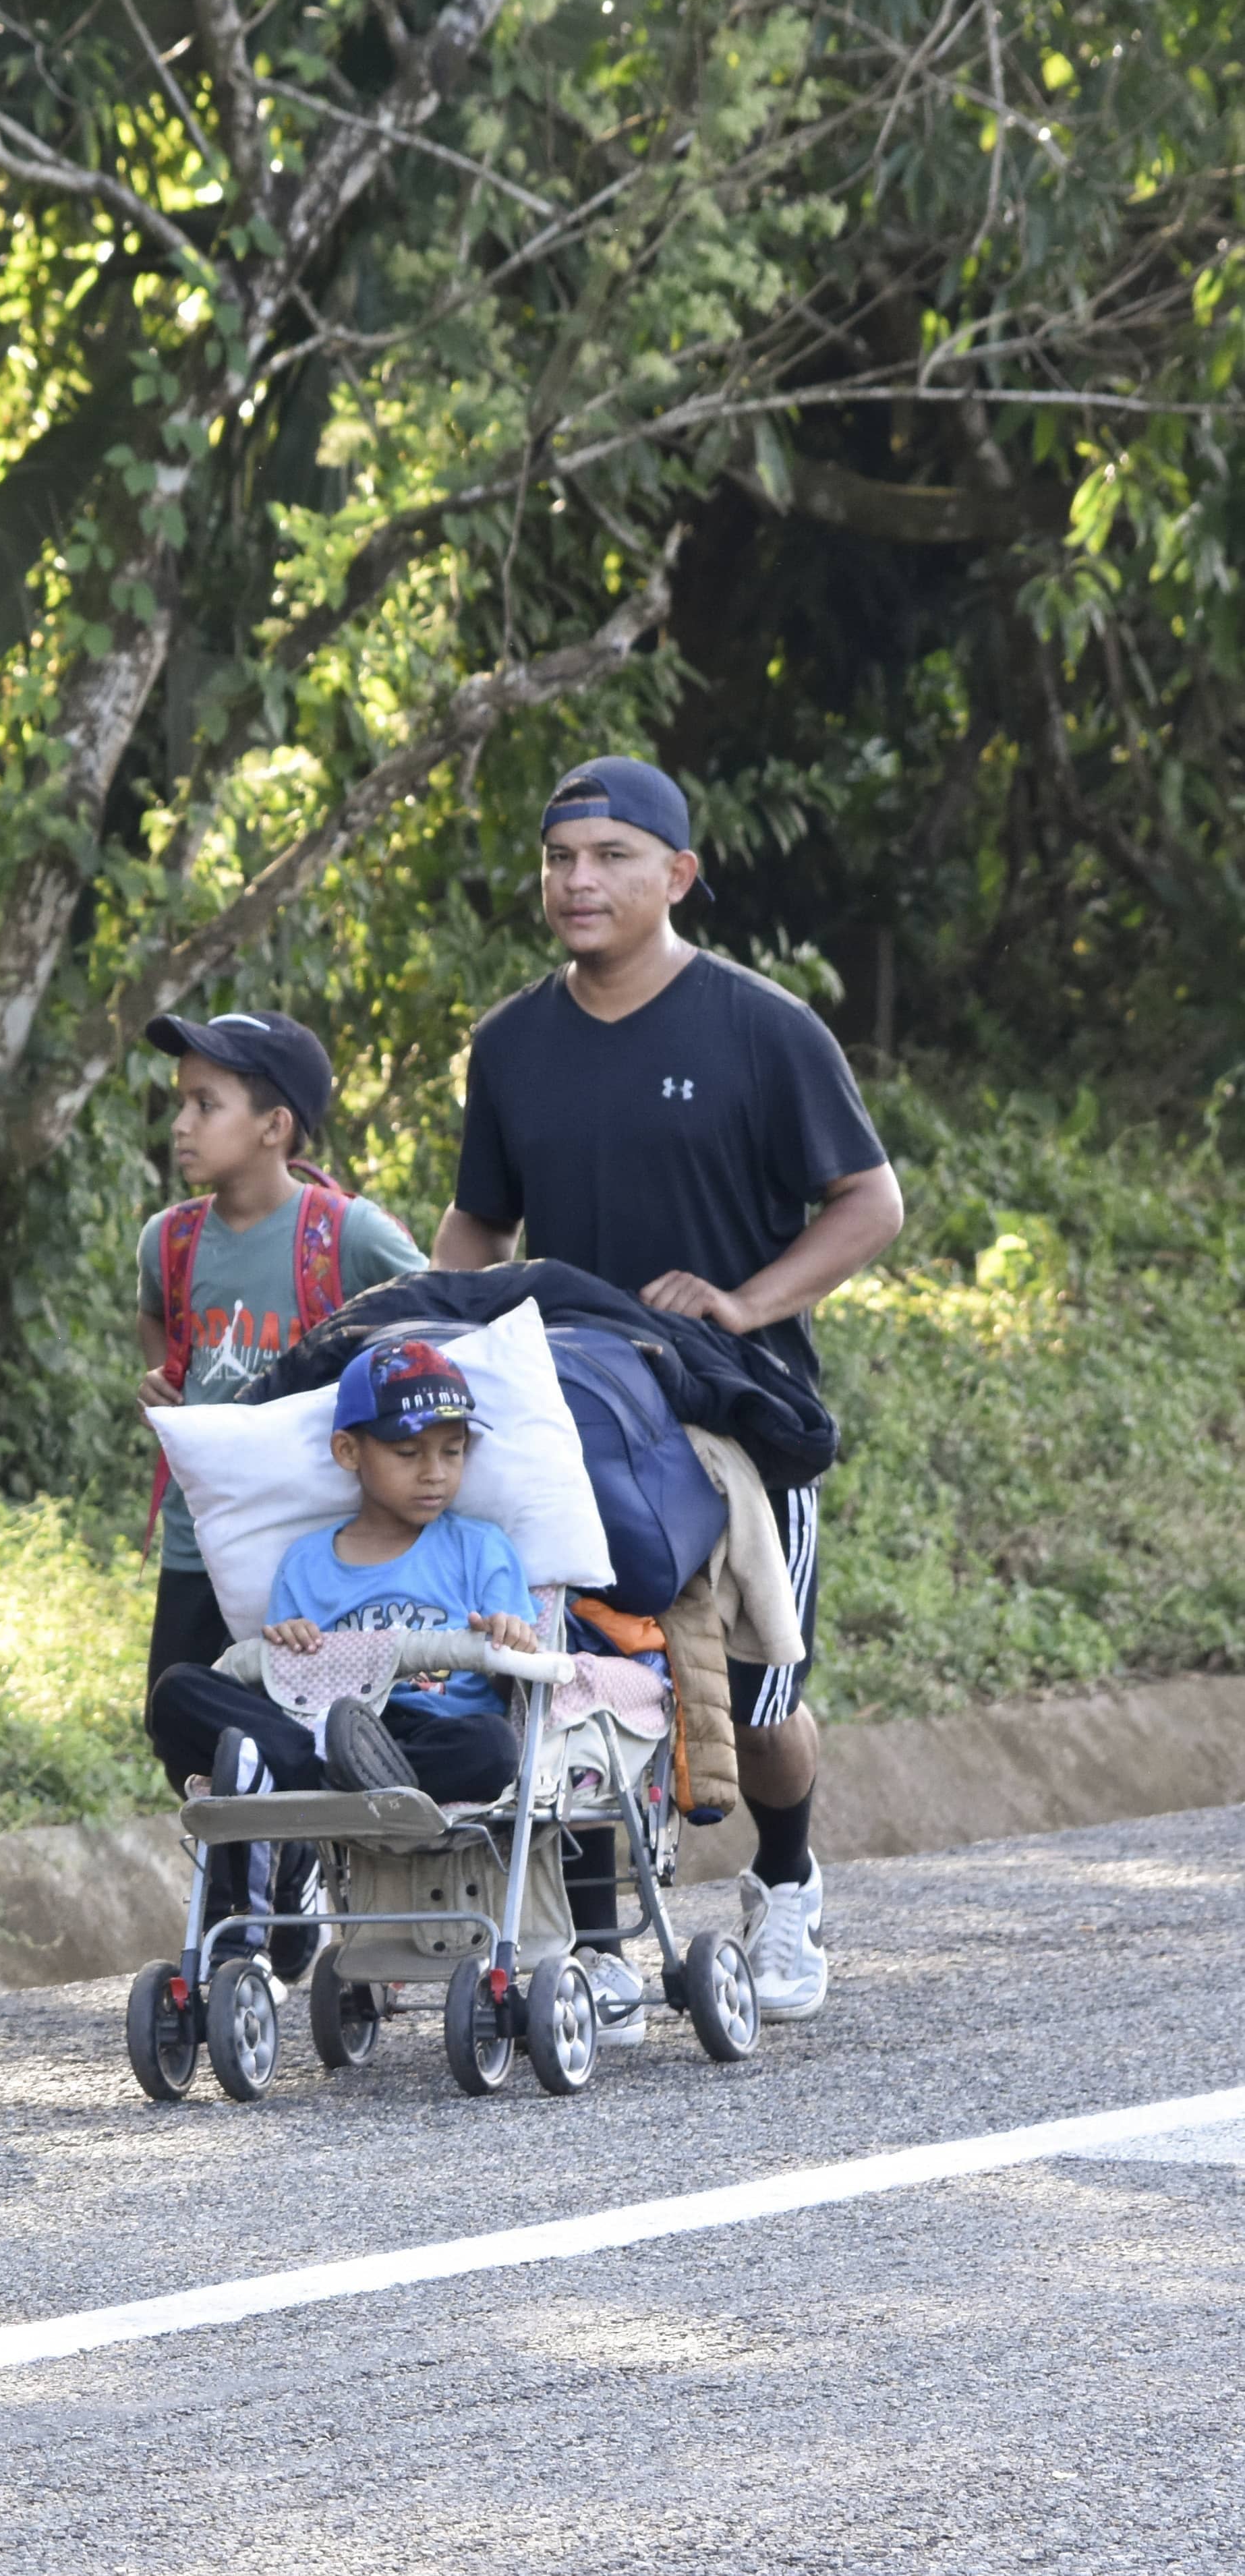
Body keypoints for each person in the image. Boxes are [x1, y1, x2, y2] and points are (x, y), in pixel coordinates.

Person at [432, 756, 902, 2022]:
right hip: (567, 1421)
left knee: (756, 1699)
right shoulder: (514, 1044)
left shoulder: (761, 1028)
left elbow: (870, 1202)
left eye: (611, 858)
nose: (578, 881)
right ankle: (598, 1944)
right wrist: (432, 1348)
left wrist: (750, 1304)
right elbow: (477, 1222)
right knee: (571, 1686)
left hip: (736, 1425)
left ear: (677, 875)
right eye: (559, 859)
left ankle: (787, 1886)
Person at [144, 1341, 544, 1960]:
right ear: (348, 1451)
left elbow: (513, 1654)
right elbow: (279, 1684)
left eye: (453, 1451)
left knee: (493, 1748)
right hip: (310, 1722)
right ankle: (300, 1766)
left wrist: (506, 1635)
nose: (434, 1472)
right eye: (409, 1453)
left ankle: (292, 1778)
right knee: (175, 1690)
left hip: (419, 1733)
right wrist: (290, 1644)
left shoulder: (479, 1549)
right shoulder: (307, 1561)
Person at [131, 1009, 425, 1732]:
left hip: (314, 1539)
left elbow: (433, 1318)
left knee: (302, 1717)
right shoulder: (166, 1238)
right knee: (180, 1723)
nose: (181, 1124)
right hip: (197, 1534)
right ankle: (245, 1838)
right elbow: (154, 1320)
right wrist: (158, 1376)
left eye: (206, 1105)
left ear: (274, 1127)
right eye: (180, 1103)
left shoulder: (346, 1233)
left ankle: (287, 1843)